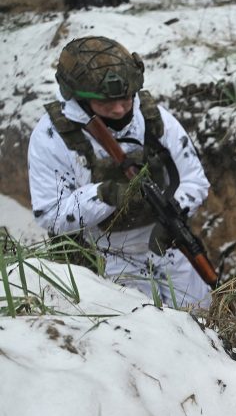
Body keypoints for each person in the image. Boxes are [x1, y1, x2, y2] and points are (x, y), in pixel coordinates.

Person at [28, 36, 212, 309]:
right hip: (104, 257)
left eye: (125, 98)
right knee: (141, 334)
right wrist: (104, 196)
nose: (118, 109)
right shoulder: (52, 137)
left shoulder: (153, 120)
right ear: (78, 97)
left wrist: (174, 214)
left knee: (203, 320)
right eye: (105, 102)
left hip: (166, 247)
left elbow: (194, 180)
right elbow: (50, 214)